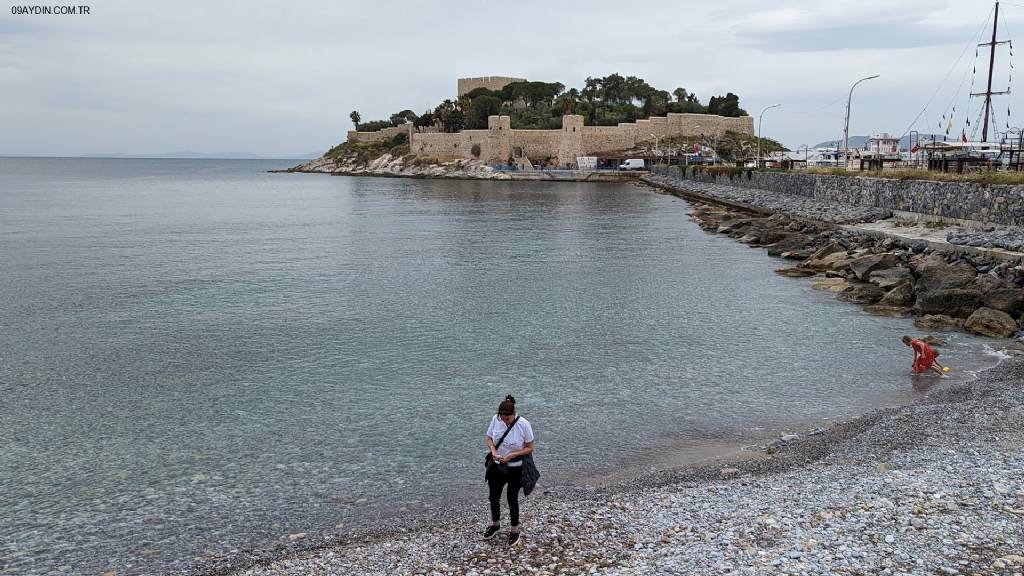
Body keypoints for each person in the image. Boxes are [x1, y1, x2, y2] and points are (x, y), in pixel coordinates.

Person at [483, 395, 534, 547]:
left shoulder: (524, 424)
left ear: (514, 413)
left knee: (512, 497)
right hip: (497, 464)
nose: (505, 421)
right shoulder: (495, 419)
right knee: (493, 496)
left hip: (515, 467)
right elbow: (489, 438)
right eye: (503, 418)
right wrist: (493, 450)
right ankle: (495, 524)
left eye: (508, 419)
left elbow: (530, 447)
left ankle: (514, 529)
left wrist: (512, 455)